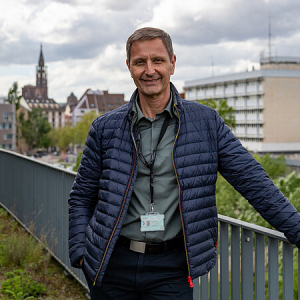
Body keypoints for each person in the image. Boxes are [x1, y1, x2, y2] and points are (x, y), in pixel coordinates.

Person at [68, 27, 300, 299]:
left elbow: (253, 181)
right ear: (129, 67)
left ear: (173, 64)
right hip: (112, 264)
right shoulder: (104, 128)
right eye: (140, 62)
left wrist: (296, 227)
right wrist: (81, 253)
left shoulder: (206, 123)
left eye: (158, 60)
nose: (149, 70)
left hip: (172, 268)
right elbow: (82, 196)